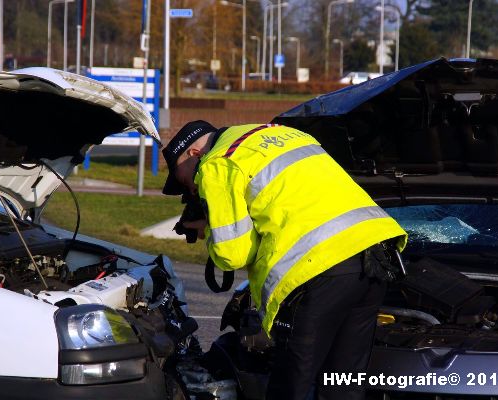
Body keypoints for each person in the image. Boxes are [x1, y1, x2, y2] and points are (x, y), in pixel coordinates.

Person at [162, 120, 407, 400]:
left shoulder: (217, 163)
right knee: (344, 381)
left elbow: (233, 254)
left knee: (290, 384)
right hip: (375, 255)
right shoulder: (281, 133)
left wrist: (209, 229)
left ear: (194, 154)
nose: (191, 191)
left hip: (319, 270)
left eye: (184, 181)